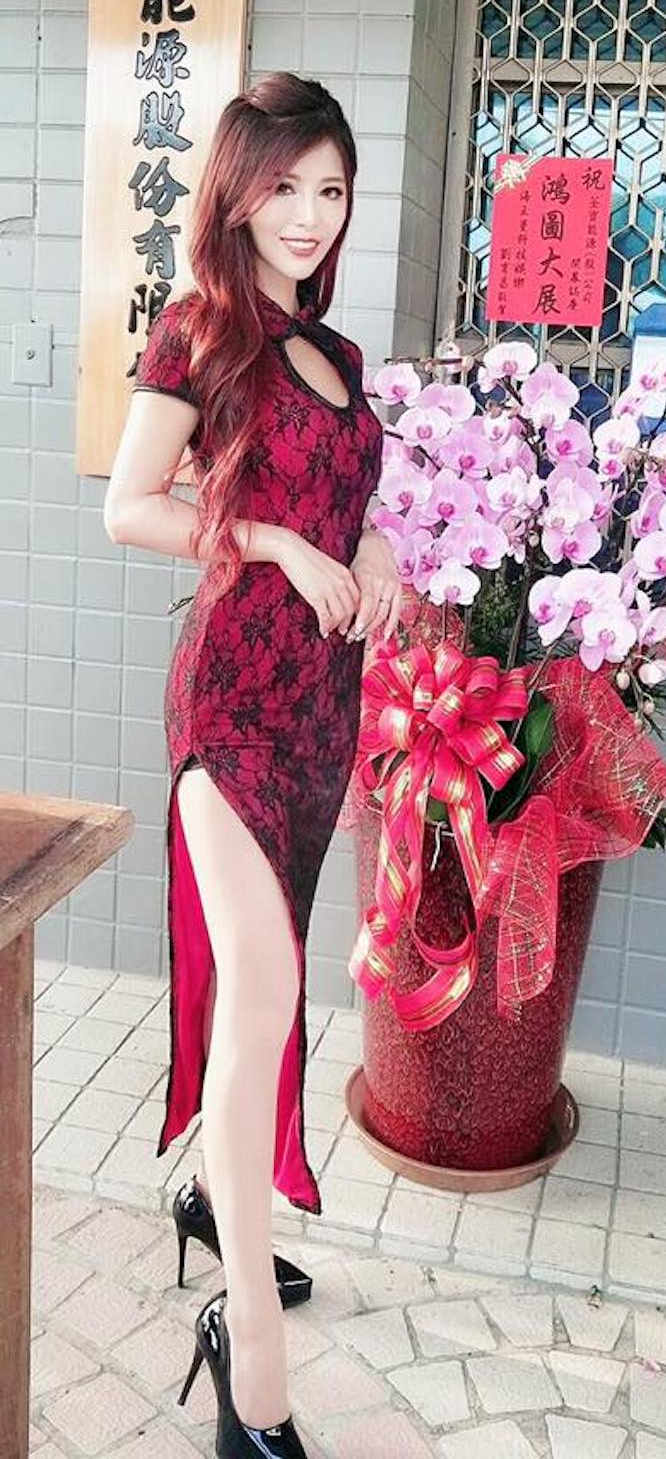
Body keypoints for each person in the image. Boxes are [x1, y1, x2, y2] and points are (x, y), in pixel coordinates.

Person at [104, 73, 400, 1458]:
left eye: (330, 189)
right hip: (230, 705)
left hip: (322, 715)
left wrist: (372, 544)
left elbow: (352, 499)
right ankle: (253, 1362)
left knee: (258, 996)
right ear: (236, 190)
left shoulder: (337, 350)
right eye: (284, 185)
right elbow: (129, 508)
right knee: (269, 989)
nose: (308, 213)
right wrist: (272, 541)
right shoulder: (200, 331)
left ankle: (215, 1204)